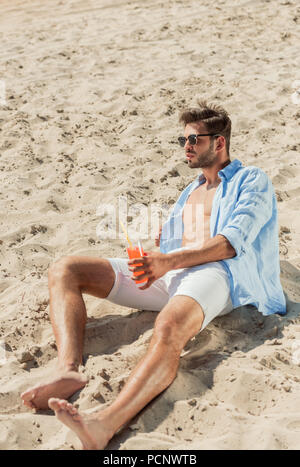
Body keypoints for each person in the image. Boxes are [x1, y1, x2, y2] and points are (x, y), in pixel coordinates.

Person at [21, 101, 286, 449]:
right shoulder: (189, 191)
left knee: (168, 327)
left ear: (219, 143)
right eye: (183, 140)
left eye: (194, 140)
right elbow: (173, 242)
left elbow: (230, 244)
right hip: (171, 274)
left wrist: (168, 261)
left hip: (219, 274)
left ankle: (103, 424)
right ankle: (67, 370)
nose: (186, 147)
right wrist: (153, 257)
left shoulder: (251, 180)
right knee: (66, 269)